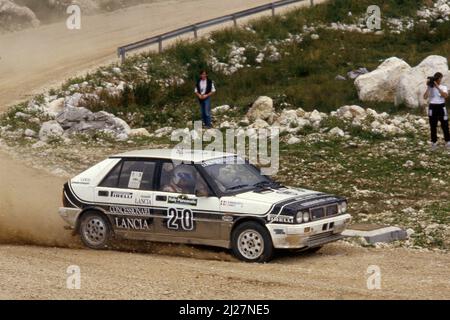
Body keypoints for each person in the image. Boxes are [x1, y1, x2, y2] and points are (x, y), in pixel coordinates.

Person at [423, 72, 449, 150]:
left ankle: (448, 141)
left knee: (445, 125)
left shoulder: (443, 87)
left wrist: (437, 87)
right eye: (436, 78)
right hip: (432, 107)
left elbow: (445, 95)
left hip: (441, 107)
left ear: (440, 79)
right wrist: (428, 87)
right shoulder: (430, 87)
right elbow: (424, 97)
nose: (437, 80)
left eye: (438, 78)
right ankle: (434, 142)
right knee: (433, 125)